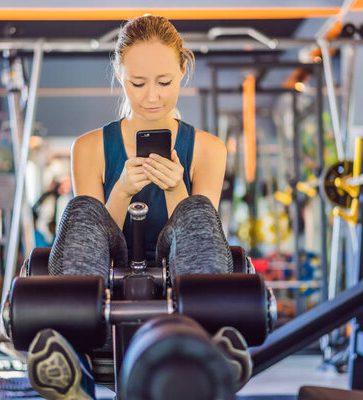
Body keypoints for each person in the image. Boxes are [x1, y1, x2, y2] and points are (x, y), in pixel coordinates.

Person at [26, 15, 250, 400]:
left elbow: (201, 231)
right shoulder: (89, 148)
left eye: (164, 82)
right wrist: (121, 192)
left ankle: (205, 346)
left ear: (183, 70)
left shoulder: (210, 149)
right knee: (82, 209)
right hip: (108, 270)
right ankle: (74, 363)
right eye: (137, 83)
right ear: (119, 72)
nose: (151, 97)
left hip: (179, 267)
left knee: (197, 210)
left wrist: (177, 185)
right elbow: (93, 234)